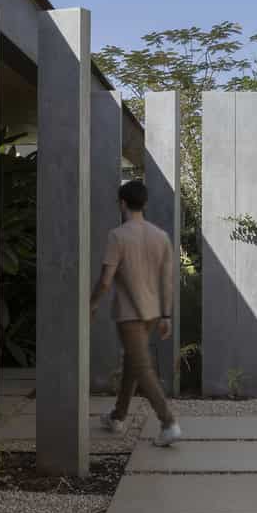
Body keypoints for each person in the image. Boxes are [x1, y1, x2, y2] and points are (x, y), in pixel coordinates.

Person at [90, 178, 181, 446]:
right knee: (132, 362)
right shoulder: (160, 236)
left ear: (122, 203)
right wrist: (166, 315)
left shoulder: (118, 235)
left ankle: (168, 422)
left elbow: (106, 280)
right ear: (145, 204)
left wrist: (92, 303)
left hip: (129, 314)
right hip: (153, 313)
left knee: (141, 367)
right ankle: (117, 416)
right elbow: (167, 280)